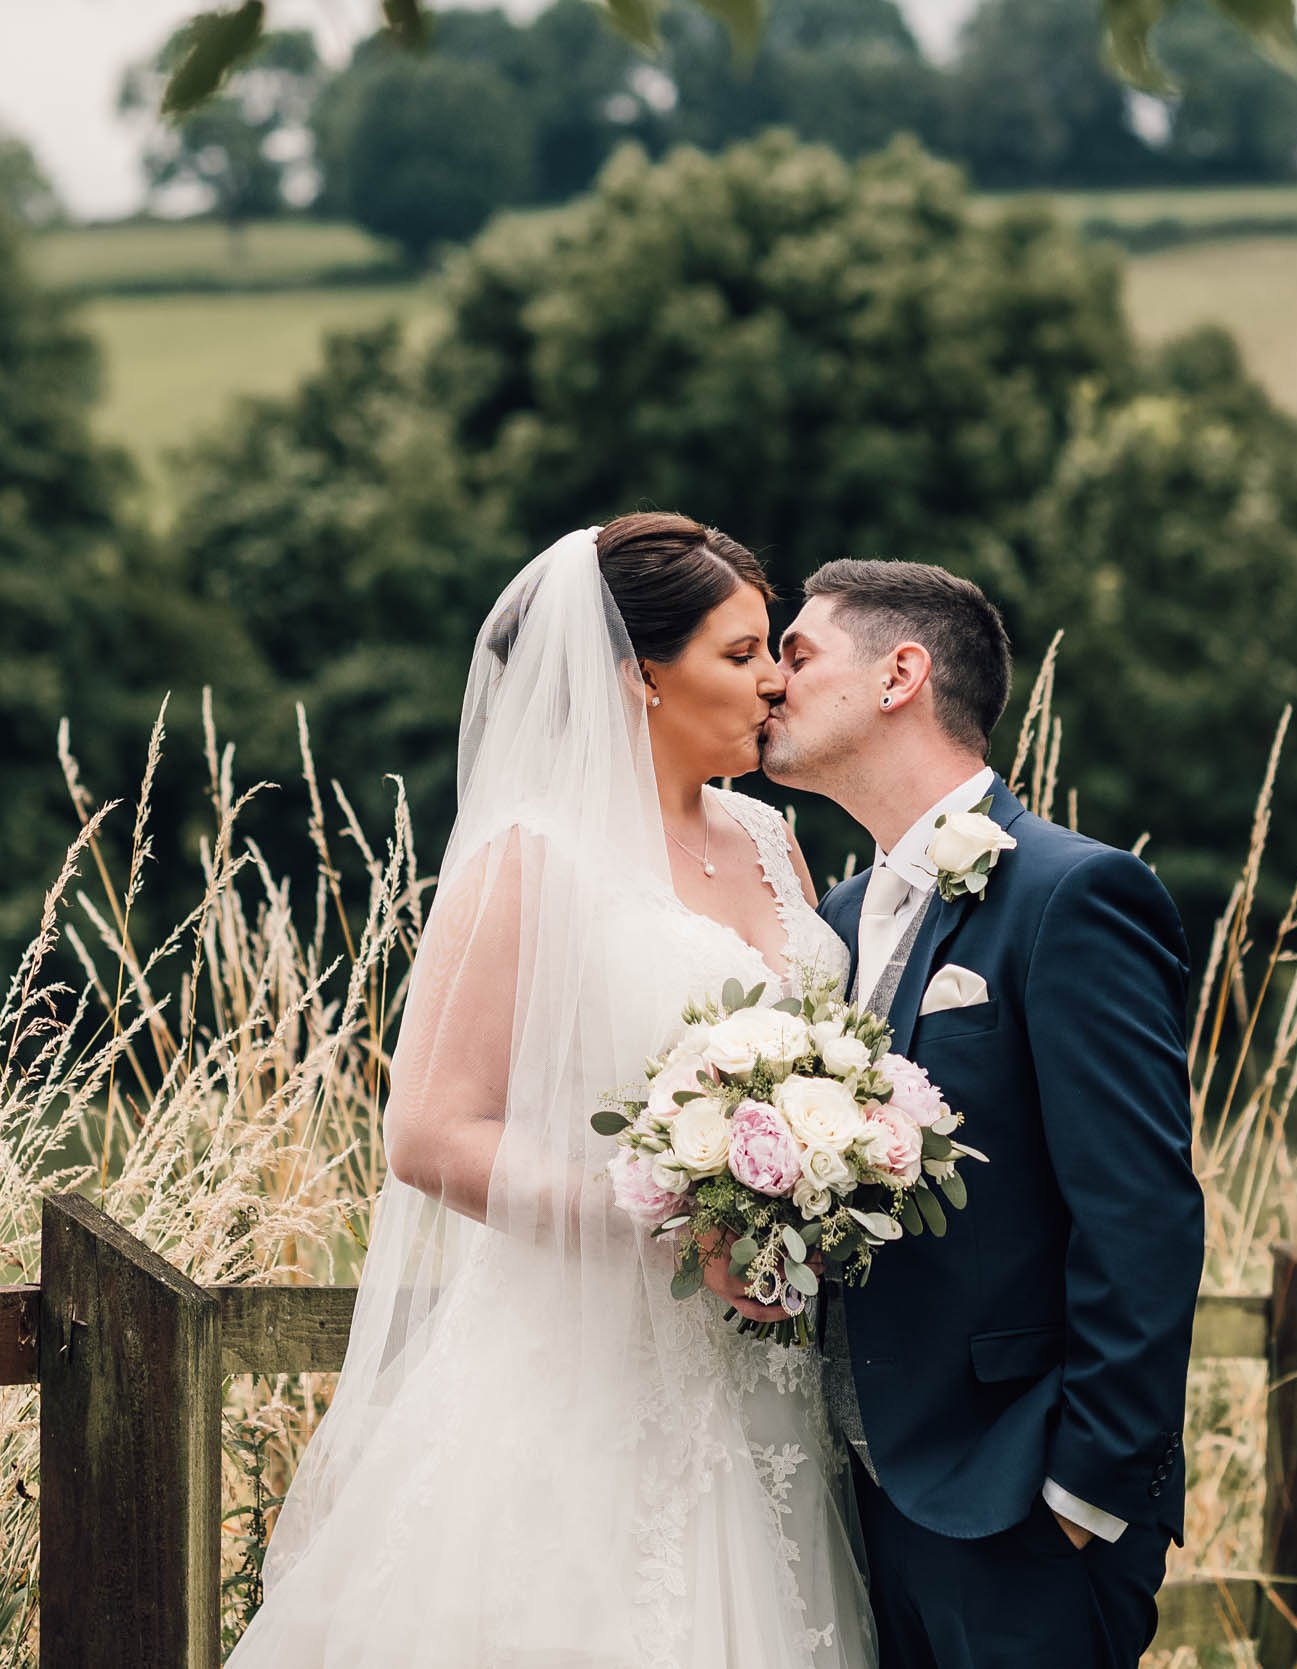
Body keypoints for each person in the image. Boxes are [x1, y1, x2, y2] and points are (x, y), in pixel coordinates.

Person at [224, 515, 875, 1669]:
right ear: (639, 679)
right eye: (740, 655)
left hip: (768, 1374)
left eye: (772, 649)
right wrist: (677, 1216)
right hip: (584, 1376)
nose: (776, 680)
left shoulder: (774, 841)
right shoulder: (532, 855)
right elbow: (428, 1134)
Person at [761, 559, 1207, 1669]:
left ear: (900, 673)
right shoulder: (837, 915)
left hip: (1020, 1509)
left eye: (800, 652)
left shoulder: (1073, 894)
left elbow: (1140, 1211)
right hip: (853, 1507)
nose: (771, 681)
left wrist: (1085, 1490)